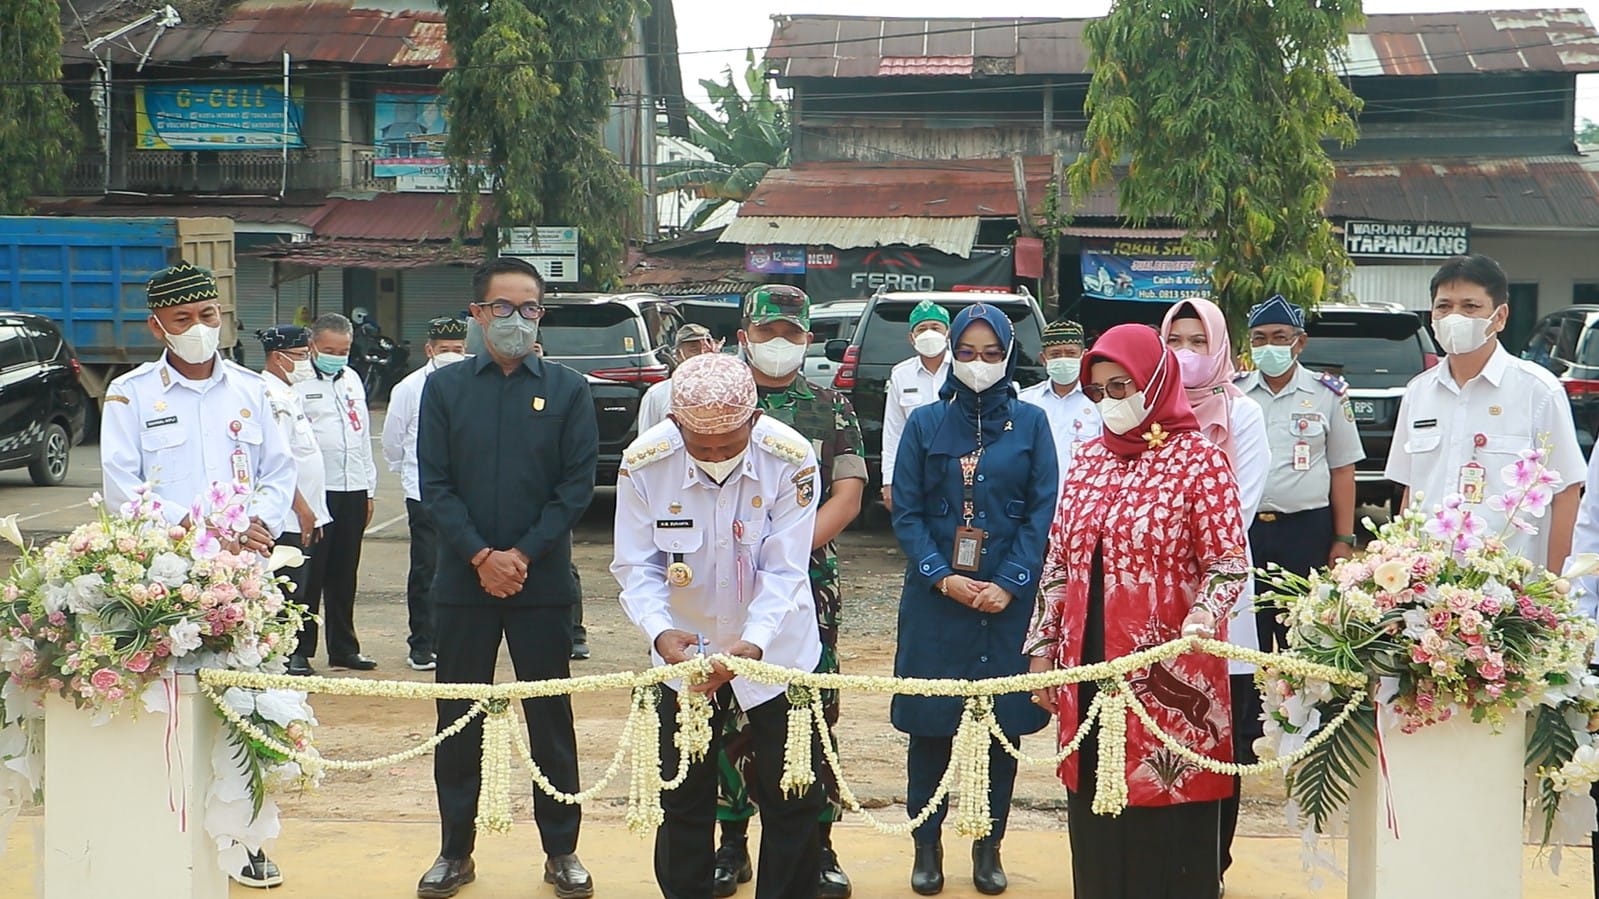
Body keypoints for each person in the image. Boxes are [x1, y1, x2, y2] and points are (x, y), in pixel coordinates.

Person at [1026, 323, 1248, 899]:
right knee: (1097, 816)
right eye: (1098, 391)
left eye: (1122, 385)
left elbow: (1227, 562)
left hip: (1170, 672)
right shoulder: (1087, 458)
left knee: (1167, 818)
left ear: (1154, 380)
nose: (1111, 402)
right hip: (1089, 667)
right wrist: (1043, 654)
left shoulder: (1200, 460)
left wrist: (1203, 616)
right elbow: (1059, 561)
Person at [100, 262, 296, 890]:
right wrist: (209, 532)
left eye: (207, 317)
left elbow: (278, 472)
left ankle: (248, 839)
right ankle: (166, 831)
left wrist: (257, 526)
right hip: (166, 582)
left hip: (246, 578)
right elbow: (123, 488)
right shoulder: (130, 395)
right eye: (183, 320)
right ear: (157, 325)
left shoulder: (254, 390)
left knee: (250, 708)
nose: (198, 330)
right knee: (169, 709)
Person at [610, 351, 827, 899]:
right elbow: (636, 567)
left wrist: (750, 645)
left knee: (792, 794)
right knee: (684, 795)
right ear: (675, 424)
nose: (713, 456)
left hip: (775, 650)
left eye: (728, 445)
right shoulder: (645, 462)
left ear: (753, 423)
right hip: (685, 653)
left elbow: (785, 568)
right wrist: (660, 634)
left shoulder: (791, 457)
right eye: (699, 446)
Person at [416, 256, 598, 899]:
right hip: (463, 585)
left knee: (551, 720)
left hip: (541, 584)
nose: (516, 320)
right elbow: (433, 486)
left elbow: (575, 488)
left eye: (529, 308)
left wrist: (520, 555)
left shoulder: (570, 389)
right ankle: (453, 853)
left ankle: (562, 852)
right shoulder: (444, 389)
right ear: (477, 313)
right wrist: (479, 557)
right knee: (458, 719)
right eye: (503, 308)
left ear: (541, 315)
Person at [890, 303, 1057, 896]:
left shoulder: (1034, 424)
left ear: (1009, 355)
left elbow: (1043, 513)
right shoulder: (924, 424)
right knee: (930, 727)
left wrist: (1010, 582)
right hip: (937, 599)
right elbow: (905, 514)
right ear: (951, 356)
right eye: (966, 353)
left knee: (1001, 730)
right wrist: (942, 575)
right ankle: (926, 846)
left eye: (991, 354)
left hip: (1005, 604)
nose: (978, 364)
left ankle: (988, 846)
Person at [709, 285, 866, 898]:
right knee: (726, 710)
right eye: (769, 332)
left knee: (809, 712)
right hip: (725, 587)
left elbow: (847, 497)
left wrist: (781, 564)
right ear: (744, 336)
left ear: (807, 339)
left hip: (807, 588)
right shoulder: (719, 408)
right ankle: (730, 842)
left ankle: (817, 845)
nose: (781, 344)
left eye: (793, 334)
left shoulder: (832, 408)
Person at [1158, 297, 1270, 893]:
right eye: (1175, 341)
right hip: (1149, 606)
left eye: (1198, 342)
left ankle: (1211, 864)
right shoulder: (1146, 414)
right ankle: (1163, 856)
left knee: (1219, 742)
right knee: (1161, 734)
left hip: (1223, 605)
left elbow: (1236, 510)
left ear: (1221, 346)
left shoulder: (1243, 416)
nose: (1185, 354)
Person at [1386, 254, 1585, 570]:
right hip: (1430, 588)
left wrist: (1554, 591)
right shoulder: (1418, 392)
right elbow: (1411, 492)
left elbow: (1566, 493)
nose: (1454, 317)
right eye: (1444, 306)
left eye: (1470, 307)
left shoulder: (1538, 391)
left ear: (1500, 316)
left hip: (1510, 591)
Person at [1237, 295, 1366, 650]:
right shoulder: (1234, 393)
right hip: (1246, 532)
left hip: (1305, 532)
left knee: (1307, 637)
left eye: (1280, 337)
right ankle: (1250, 708)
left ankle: (1302, 708)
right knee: (1246, 639)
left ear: (1300, 341)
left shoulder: (1328, 394)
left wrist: (1343, 540)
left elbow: (1342, 470)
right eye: (1259, 338)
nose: (1269, 346)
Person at [383, 316, 469, 672]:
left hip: (467, 492)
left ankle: (457, 640)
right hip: (424, 493)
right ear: (430, 349)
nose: (452, 355)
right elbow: (392, 441)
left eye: (458, 350)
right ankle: (422, 644)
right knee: (427, 569)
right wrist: (407, 475)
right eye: (445, 350)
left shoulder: (474, 382)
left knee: (467, 567)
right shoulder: (409, 387)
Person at [296, 313, 380, 671]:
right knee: (310, 575)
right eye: (329, 349)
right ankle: (299, 650)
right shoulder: (297, 382)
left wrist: (369, 489)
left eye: (343, 350)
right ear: (313, 345)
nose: (336, 356)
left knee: (345, 573)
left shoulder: (352, 379)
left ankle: (344, 647)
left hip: (352, 487)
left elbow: (361, 438)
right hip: (318, 491)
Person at [256, 325, 332, 678]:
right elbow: (279, 463)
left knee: (304, 589)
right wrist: (302, 508)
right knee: (286, 590)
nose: (307, 363)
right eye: (301, 356)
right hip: (287, 517)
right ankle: (282, 658)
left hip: (308, 512)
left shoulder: (290, 394)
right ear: (278, 357)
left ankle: (296, 654)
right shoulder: (269, 398)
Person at [880, 299, 951, 512]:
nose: (929, 333)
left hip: (959, 469)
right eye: (922, 329)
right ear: (912, 338)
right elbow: (894, 431)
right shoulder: (901, 374)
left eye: (935, 328)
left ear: (948, 333)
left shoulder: (962, 368)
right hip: (915, 471)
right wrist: (889, 480)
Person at [1018, 319, 1102, 491]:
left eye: (1071, 353)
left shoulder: (1098, 402)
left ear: (1083, 355)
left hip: (1082, 499)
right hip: (1033, 501)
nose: (1063, 360)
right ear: (1043, 358)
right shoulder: (1025, 402)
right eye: (1055, 355)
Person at [636, 323, 724, 434]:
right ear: (678, 355)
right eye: (694, 350)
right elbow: (645, 442)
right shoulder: (657, 395)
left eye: (706, 349)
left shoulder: (727, 392)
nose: (702, 355)